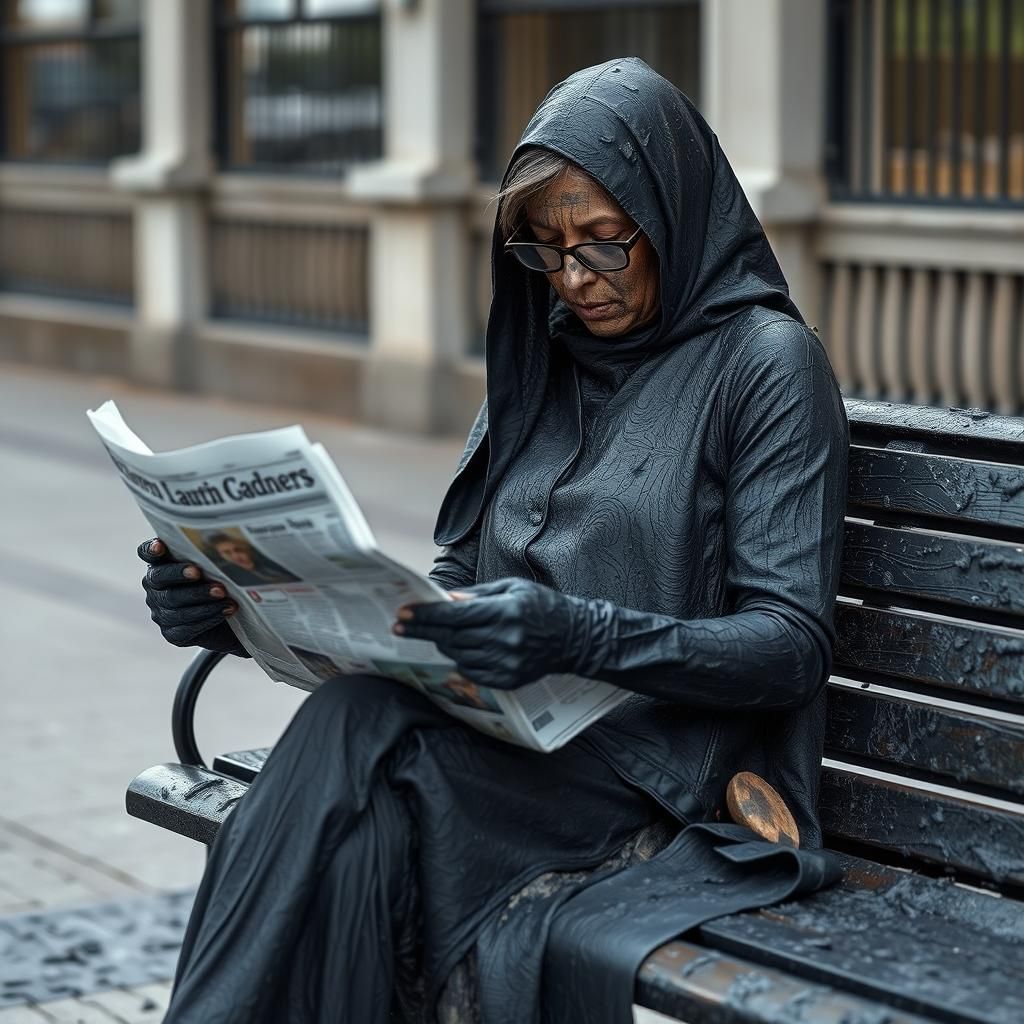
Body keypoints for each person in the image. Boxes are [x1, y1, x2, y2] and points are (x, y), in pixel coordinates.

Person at [137, 58, 847, 1024]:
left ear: (675, 210)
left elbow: (790, 646)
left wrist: (574, 634)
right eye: (545, 249)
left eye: (605, 242)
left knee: (357, 744)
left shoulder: (766, 365)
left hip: (654, 775)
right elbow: (452, 587)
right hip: (505, 741)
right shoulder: (545, 354)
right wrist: (234, 613)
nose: (575, 279)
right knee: (361, 770)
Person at [204, 530, 299, 586]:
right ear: (220, 558)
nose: (236, 556)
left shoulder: (267, 565)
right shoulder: (233, 577)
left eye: (238, 550)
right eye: (227, 553)